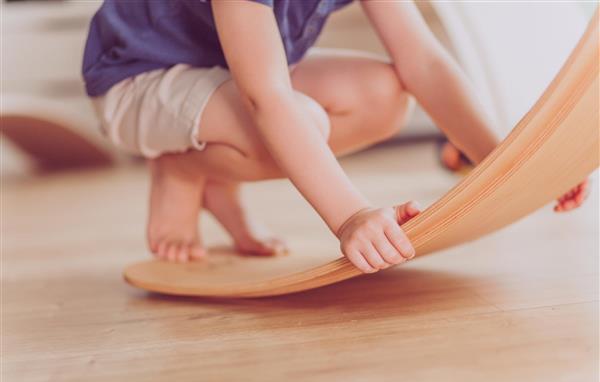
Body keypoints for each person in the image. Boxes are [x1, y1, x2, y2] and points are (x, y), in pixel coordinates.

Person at [83, 0, 589, 273]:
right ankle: (183, 167)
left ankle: (210, 169)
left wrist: (508, 166)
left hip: (227, 72)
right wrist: (349, 216)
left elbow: (425, 64)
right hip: (136, 77)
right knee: (304, 119)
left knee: (386, 93)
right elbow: (266, 98)